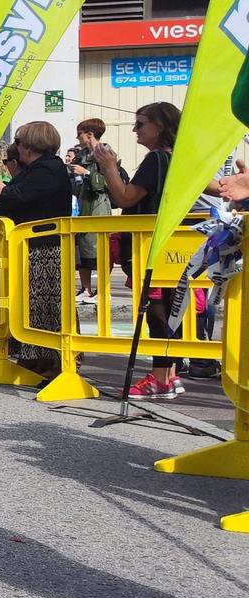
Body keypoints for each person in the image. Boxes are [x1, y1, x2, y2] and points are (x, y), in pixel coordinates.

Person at [94, 101, 210, 398]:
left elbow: (124, 198)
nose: (135, 129)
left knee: (157, 310)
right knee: (172, 308)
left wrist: (108, 167)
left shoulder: (156, 159)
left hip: (154, 246)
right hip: (176, 246)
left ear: (160, 127)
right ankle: (168, 374)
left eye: (141, 123)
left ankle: (161, 377)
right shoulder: (179, 159)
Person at [0, 121, 72, 371]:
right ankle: (35, 356)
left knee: (46, 303)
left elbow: (10, 199)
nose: (15, 150)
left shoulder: (48, 169)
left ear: (30, 145)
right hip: (31, 246)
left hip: (45, 247)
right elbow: (9, 203)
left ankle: (54, 359)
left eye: (18, 143)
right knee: (31, 304)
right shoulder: (36, 169)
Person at [68, 118, 119, 302]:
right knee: (82, 248)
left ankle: (103, 290)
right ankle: (86, 289)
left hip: (98, 206)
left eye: (80, 134)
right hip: (82, 205)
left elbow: (111, 182)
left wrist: (87, 173)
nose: (78, 137)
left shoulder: (106, 154)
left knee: (98, 248)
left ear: (89, 134)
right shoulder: (81, 155)